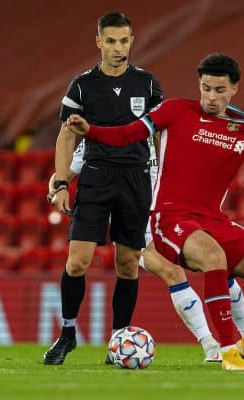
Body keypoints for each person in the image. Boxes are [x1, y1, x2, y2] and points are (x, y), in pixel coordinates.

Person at [65, 53, 244, 371]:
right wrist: (91, 129)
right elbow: (127, 135)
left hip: (214, 219)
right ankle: (226, 349)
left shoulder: (243, 125)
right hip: (171, 217)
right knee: (214, 258)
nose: (211, 96)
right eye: (206, 88)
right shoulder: (176, 110)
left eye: (219, 90)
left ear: (234, 88)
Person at [48, 137, 244, 363]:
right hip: (136, 225)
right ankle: (209, 344)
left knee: (223, 269)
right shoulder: (102, 138)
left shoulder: (162, 135)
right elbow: (63, 174)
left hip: (170, 216)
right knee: (173, 273)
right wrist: (55, 186)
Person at [42, 11, 163, 365]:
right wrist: (62, 181)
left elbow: (162, 135)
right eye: (110, 41)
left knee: (128, 265)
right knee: (77, 261)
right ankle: (67, 334)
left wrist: (162, 182)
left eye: (123, 41)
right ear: (98, 42)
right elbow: (66, 135)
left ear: (131, 41)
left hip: (135, 178)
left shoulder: (149, 84)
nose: (117, 48)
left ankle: (118, 340)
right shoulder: (82, 86)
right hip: (96, 175)